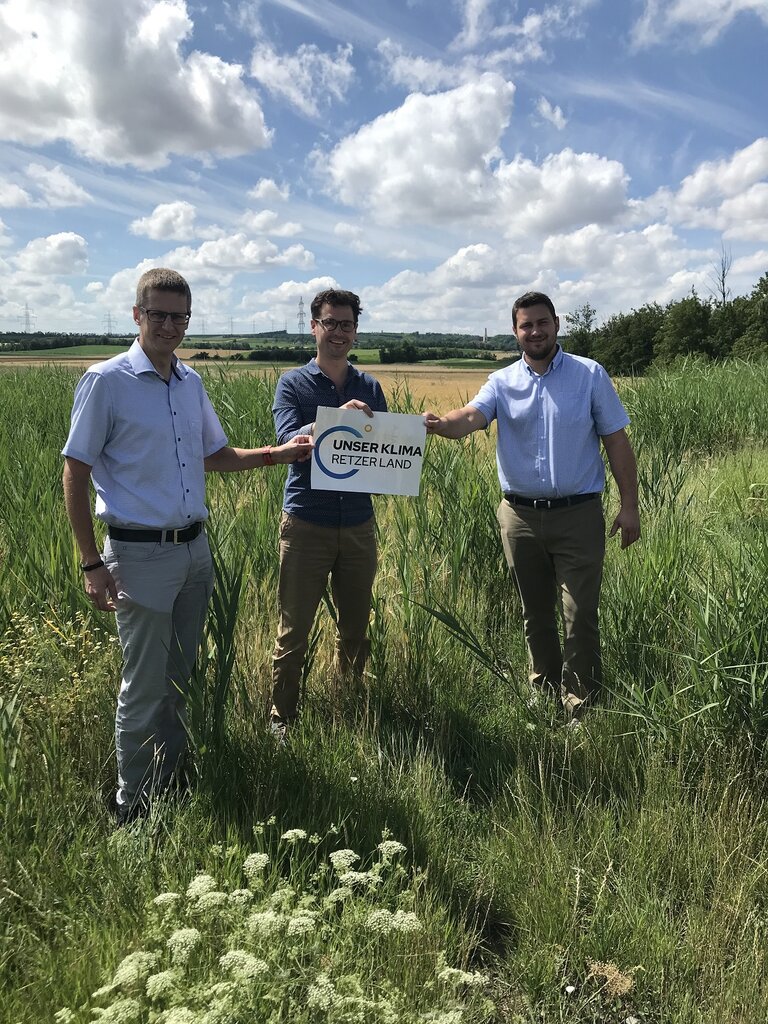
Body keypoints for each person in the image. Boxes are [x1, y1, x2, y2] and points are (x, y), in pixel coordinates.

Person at [62, 268, 312, 824]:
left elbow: (215, 456)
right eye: (159, 314)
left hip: (194, 552)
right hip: (137, 555)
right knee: (144, 685)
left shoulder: (189, 383)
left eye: (180, 316)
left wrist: (280, 453)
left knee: (179, 676)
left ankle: (169, 780)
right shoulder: (107, 381)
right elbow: (74, 471)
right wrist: (91, 562)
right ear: (137, 316)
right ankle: (133, 806)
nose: (170, 325)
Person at [424, 291, 640, 721]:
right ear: (515, 330)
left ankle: (579, 706)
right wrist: (439, 424)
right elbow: (471, 416)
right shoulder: (502, 382)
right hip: (519, 517)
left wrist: (629, 504)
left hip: (578, 514)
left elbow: (616, 440)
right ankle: (543, 693)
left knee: (579, 615)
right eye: (526, 325)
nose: (535, 331)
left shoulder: (589, 375)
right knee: (535, 612)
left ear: (556, 324)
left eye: (542, 322)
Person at [269, 288, 387, 740]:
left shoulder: (369, 385)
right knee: (294, 628)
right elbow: (288, 442)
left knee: (355, 626)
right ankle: (282, 719)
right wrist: (335, 419)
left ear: (356, 331)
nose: (338, 332)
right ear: (314, 327)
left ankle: (350, 705)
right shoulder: (292, 384)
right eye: (330, 323)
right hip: (306, 522)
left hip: (358, 521)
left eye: (347, 324)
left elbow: (377, 453)